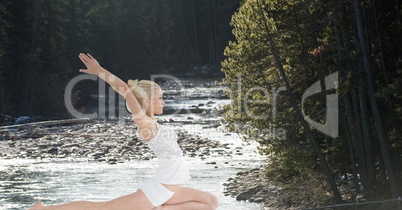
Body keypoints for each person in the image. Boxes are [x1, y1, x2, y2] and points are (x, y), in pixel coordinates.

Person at [30, 53, 219, 210]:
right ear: (146, 101)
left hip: (169, 188)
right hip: (159, 189)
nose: (163, 102)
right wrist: (99, 71)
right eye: (160, 98)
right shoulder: (144, 123)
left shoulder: (153, 122)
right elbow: (124, 90)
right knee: (102, 208)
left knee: (211, 202)